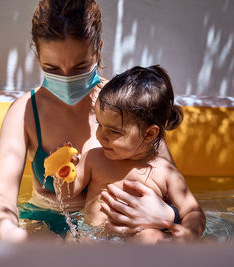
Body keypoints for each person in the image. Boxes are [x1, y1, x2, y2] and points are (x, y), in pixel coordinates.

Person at [0, 0, 181, 242]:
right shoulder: (25, 111)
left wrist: (168, 214)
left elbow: (171, 183)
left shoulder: (128, 106)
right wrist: (11, 234)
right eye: (52, 68)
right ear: (37, 54)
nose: (66, 78)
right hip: (46, 223)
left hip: (119, 229)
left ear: (98, 48)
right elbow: (0, 195)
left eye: (80, 67)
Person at [59, 66, 206, 243]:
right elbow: (66, 193)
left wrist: (189, 233)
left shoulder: (164, 173)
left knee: (152, 238)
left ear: (149, 134)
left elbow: (192, 211)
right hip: (92, 237)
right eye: (99, 124)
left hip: (136, 241)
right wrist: (65, 170)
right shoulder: (95, 158)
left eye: (113, 131)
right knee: (72, 239)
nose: (100, 135)